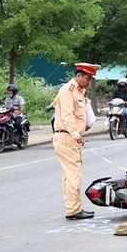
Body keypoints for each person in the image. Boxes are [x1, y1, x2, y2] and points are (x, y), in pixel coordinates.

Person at [52, 62, 101, 220]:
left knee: (69, 175)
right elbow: (67, 115)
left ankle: (72, 207)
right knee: (74, 175)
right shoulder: (67, 90)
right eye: (87, 78)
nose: (89, 81)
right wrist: (75, 134)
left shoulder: (79, 92)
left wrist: (82, 129)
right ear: (78, 75)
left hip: (70, 137)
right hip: (67, 137)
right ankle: (73, 210)